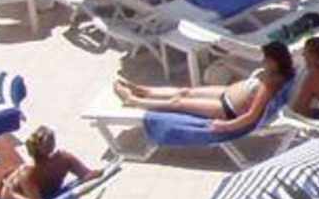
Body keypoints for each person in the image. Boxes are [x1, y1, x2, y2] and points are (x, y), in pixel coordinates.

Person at [112, 39, 296, 135]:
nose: (263, 60)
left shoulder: (271, 83)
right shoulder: (276, 71)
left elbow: (252, 116)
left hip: (227, 109)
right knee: (186, 91)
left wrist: (226, 126)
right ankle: (144, 91)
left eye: (266, 58)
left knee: (178, 102)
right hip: (226, 93)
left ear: (275, 61)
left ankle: (134, 100)